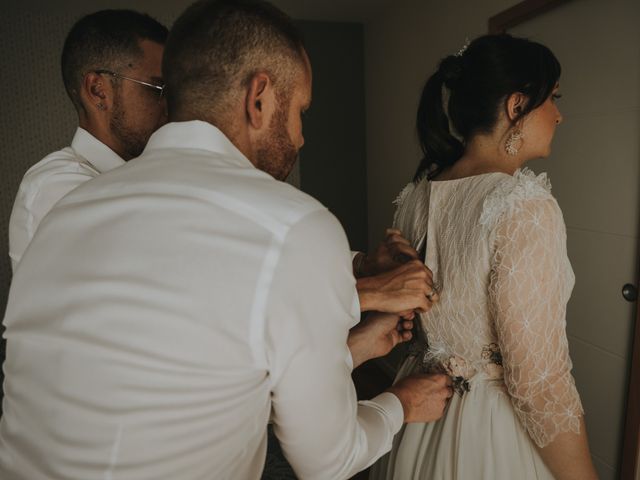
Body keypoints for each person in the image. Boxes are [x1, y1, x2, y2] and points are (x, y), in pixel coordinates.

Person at [0, 1, 453, 479]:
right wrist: (400, 402)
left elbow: (195, 359)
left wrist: (351, 345)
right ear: (259, 98)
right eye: (300, 111)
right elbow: (327, 461)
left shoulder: (67, 213)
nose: (301, 138)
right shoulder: (293, 223)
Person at [370, 34, 598, 480]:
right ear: (517, 106)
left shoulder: (416, 197)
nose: (559, 114)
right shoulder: (524, 205)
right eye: (552, 98)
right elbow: (538, 381)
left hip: (419, 416)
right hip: (492, 432)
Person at [8, 10, 168, 271]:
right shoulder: (58, 189)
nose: (170, 106)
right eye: (158, 89)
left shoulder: (157, 174)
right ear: (98, 91)